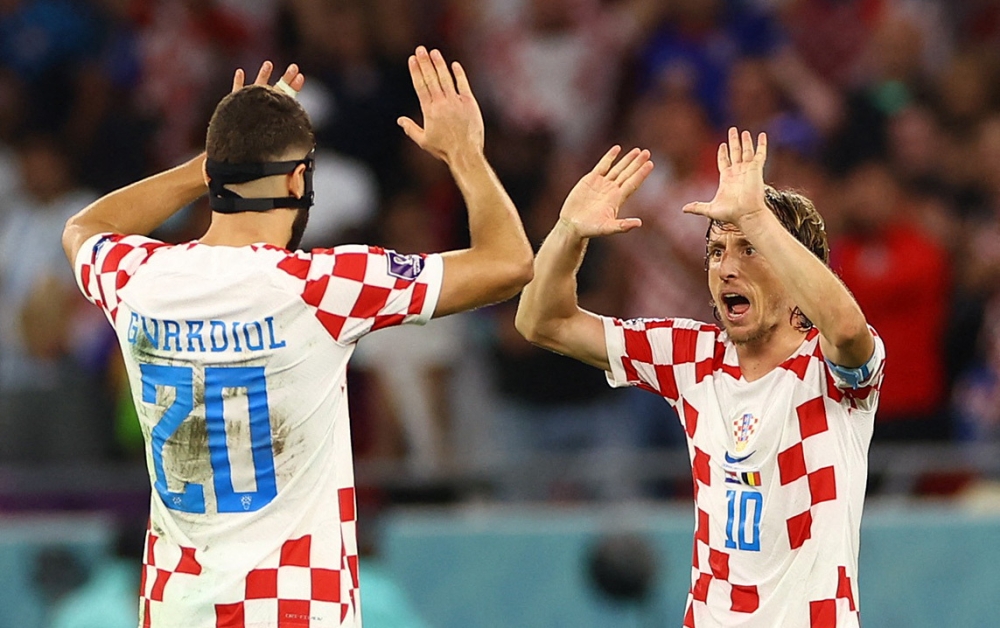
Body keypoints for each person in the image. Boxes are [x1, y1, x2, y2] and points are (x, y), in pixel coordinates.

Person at [62, 48, 533, 627]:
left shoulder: (139, 279)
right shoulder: (320, 288)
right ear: (299, 179)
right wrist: (463, 152)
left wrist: (207, 164)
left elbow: (85, 227)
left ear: (215, 173)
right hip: (296, 611)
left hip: (176, 608)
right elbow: (508, 263)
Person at [516, 129, 885, 627]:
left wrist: (755, 215)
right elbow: (542, 322)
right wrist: (568, 232)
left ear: (797, 268)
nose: (726, 268)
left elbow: (845, 327)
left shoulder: (829, 370)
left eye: (749, 249)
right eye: (716, 251)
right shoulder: (691, 356)